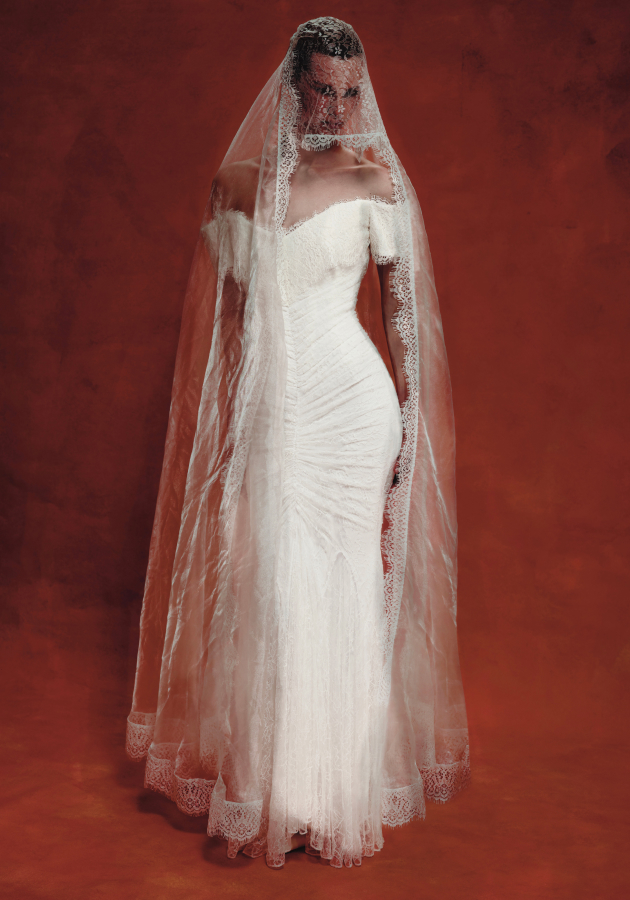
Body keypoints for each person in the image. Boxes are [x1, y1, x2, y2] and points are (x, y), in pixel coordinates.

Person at [126, 17, 469, 869]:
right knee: (274, 586)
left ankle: (334, 797)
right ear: (292, 88)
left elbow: (402, 325)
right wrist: (229, 428)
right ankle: (277, 793)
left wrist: (411, 435)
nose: (338, 109)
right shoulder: (236, 187)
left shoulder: (376, 182)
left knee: (348, 588)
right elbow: (228, 334)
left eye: (351, 92)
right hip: (278, 412)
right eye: (322, 89)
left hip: (355, 411)